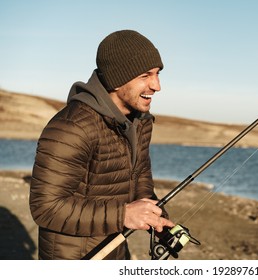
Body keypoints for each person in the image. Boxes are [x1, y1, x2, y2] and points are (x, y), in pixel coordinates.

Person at [29, 30, 175, 260]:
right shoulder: (72, 126)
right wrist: (124, 214)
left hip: (114, 247)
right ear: (117, 79)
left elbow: (140, 178)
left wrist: (155, 216)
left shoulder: (139, 121)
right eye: (145, 75)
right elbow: (46, 207)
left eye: (157, 74)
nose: (157, 85)